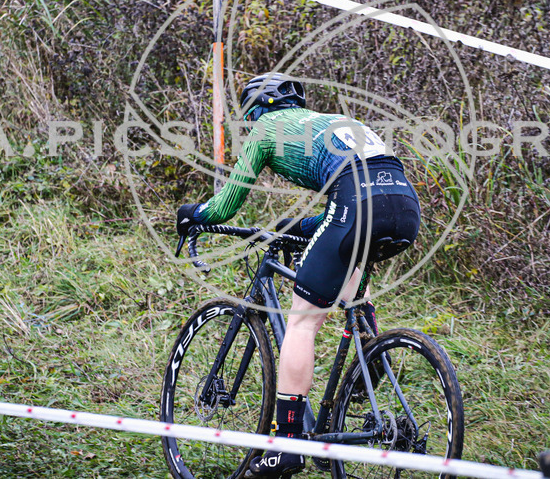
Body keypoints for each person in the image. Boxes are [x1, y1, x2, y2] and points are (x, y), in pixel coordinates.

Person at [175, 72, 421, 478]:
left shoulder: (267, 128)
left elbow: (225, 206)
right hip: (403, 203)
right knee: (352, 292)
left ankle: (286, 446)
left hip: (356, 198)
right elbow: (354, 192)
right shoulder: (333, 120)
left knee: (303, 321)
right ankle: (370, 359)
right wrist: (299, 226)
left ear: (255, 108)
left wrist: (194, 216)